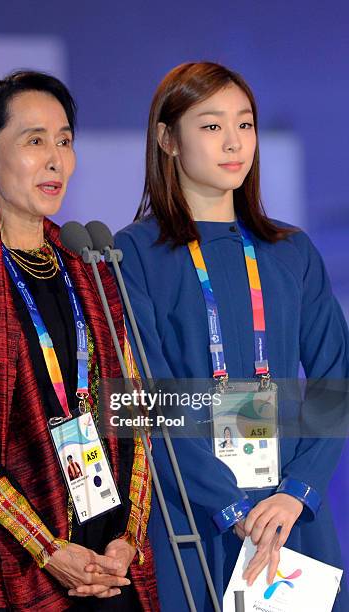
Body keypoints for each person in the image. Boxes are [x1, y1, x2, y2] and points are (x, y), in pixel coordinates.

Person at [0, 71, 158, 612]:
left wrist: (128, 541)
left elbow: (133, 411)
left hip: (109, 554)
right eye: (34, 140)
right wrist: (47, 549)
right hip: (15, 553)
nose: (56, 159)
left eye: (65, 140)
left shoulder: (89, 266)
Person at [115, 62, 348, 610]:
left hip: (289, 518)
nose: (234, 142)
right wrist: (228, 507)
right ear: (167, 139)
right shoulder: (132, 254)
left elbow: (336, 377)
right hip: (190, 518)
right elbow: (139, 402)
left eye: (245, 124)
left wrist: (299, 491)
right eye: (212, 125)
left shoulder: (292, 250)